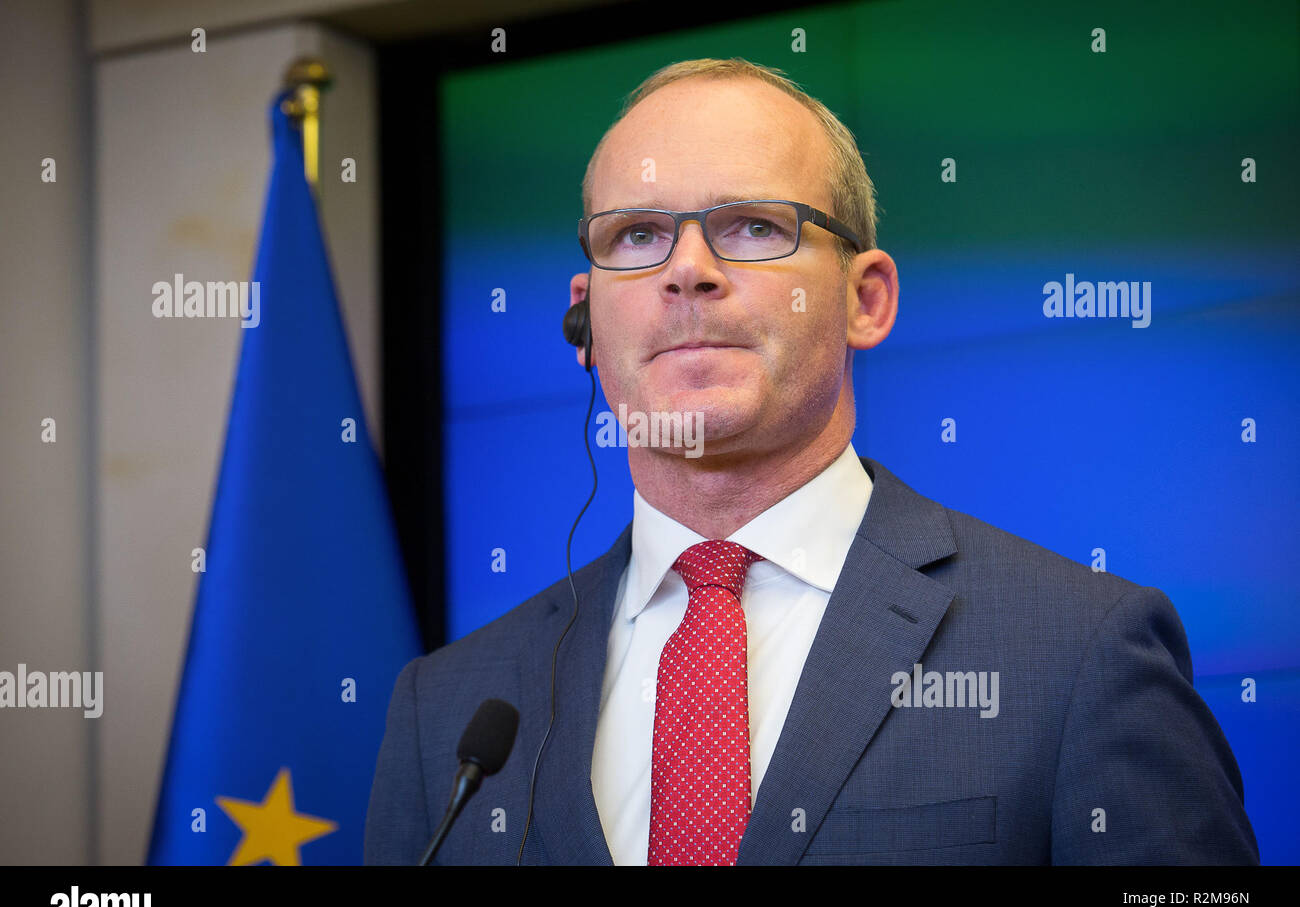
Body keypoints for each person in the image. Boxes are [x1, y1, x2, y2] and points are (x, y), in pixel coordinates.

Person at [364, 58, 1258, 865]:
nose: (687, 272)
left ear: (866, 299)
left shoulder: (1079, 652)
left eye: (752, 225)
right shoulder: (443, 713)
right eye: (637, 235)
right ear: (586, 321)